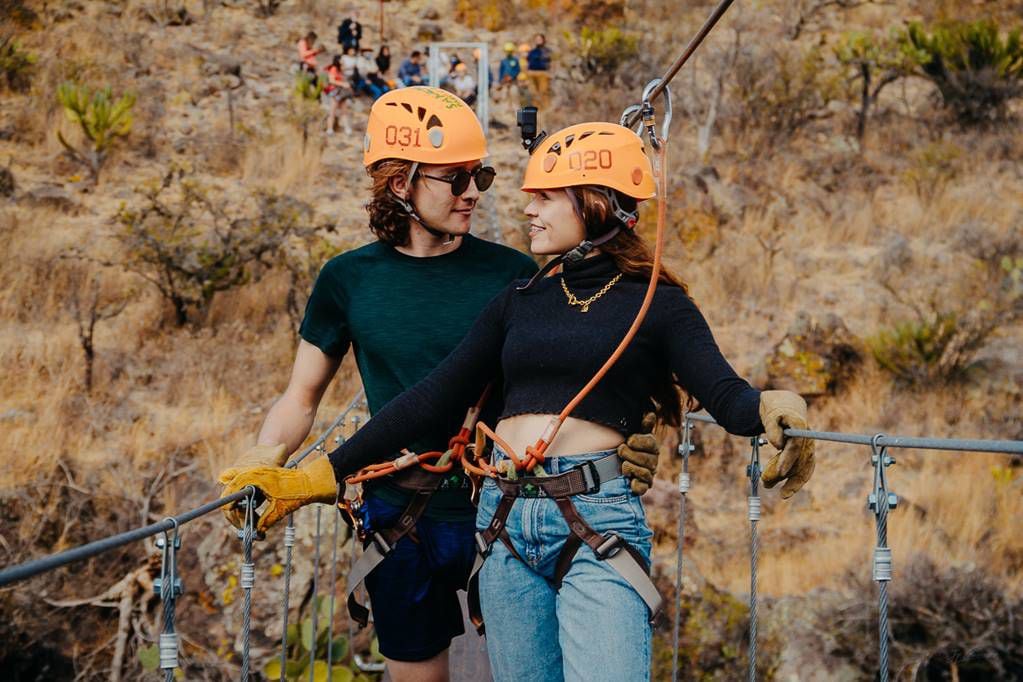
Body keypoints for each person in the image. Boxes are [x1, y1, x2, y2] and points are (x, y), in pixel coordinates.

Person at [219, 119, 817, 680]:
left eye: (545, 197)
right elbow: (434, 397)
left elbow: (723, 392)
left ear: (596, 201)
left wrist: (770, 410)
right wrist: (318, 475)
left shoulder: (658, 304)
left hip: (596, 516)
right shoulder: (519, 298)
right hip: (504, 523)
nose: (525, 209)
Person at [324, 55, 353, 135]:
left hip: (342, 93)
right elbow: (331, 80)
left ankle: (347, 128)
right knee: (332, 111)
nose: (342, 61)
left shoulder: (340, 70)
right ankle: (329, 129)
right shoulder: (334, 68)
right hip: (335, 92)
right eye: (341, 60)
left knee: (344, 111)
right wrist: (342, 84)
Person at [526, 33, 552, 110]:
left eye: (540, 39)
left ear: (543, 40)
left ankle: (546, 110)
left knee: (544, 92)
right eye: (536, 39)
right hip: (532, 73)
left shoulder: (547, 51)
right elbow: (528, 60)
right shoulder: (532, 51)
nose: (538, 41)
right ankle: (537, 110)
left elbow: (550, 61)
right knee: (534, 93)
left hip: (543, 73)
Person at [496, 42, 521, 106]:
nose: (508, 53)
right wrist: (500, 81)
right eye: (507, 51)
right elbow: (501, 72)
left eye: (510, 51)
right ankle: (505, 115)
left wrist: (512, 76)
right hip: (505, 83)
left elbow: (517, 70)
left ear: (512, 51)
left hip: (513, 83)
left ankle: (516, 114)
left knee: (515, 98)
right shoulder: (503, 61)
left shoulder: (515, 60)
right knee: (504, 99)